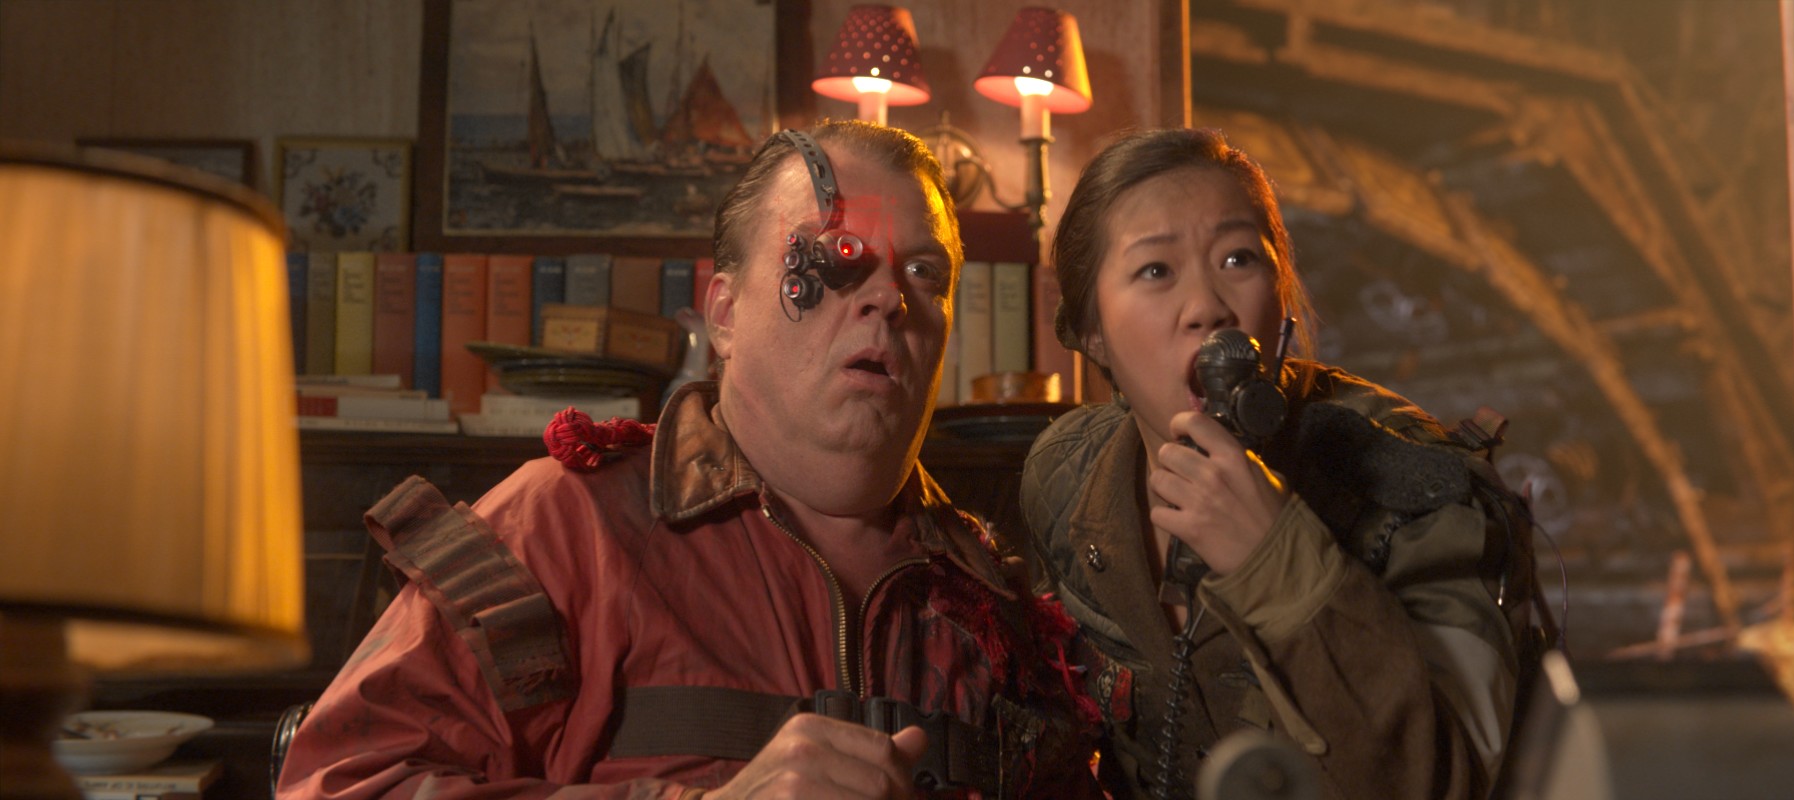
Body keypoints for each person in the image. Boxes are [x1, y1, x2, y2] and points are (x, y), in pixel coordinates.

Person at [278, 121, 1103, 799]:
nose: (890, 297)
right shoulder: (563, 528)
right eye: (838, 254)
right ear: (725, 315)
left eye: (924, 272)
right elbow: (338, 785)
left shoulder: (994, 605)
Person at [1020, 128, 1537, 800]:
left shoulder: (1416, 489)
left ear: (1282, 299)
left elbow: (1446, 783)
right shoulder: (1064, 475)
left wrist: (1278, 564)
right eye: (1156, 271)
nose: (1208, 307)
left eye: (1238, 259)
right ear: (1092, 332)